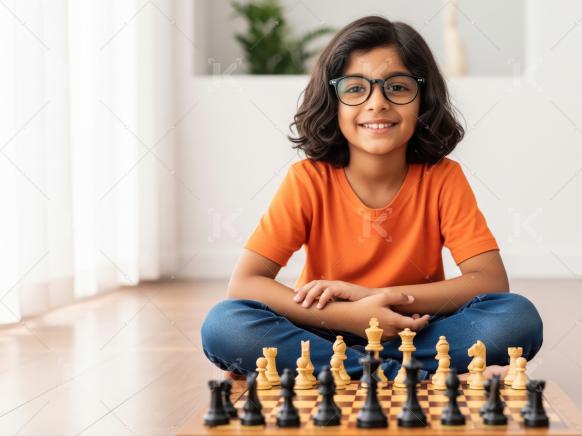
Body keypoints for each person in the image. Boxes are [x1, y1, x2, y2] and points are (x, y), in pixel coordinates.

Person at [201, 16, 543, 381]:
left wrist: (373, 297)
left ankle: (356, 372)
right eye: (355, 89)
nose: (377, 103)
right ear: (332, 101)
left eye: (397, 87)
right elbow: (245, 284)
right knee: (226, 325)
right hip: (323, 330)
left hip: (416, 331)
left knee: (515, 318)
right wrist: (347, 315)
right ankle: (407, 375)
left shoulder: (443, 178)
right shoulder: (308, 179)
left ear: (422, 99)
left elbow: (490, 281)